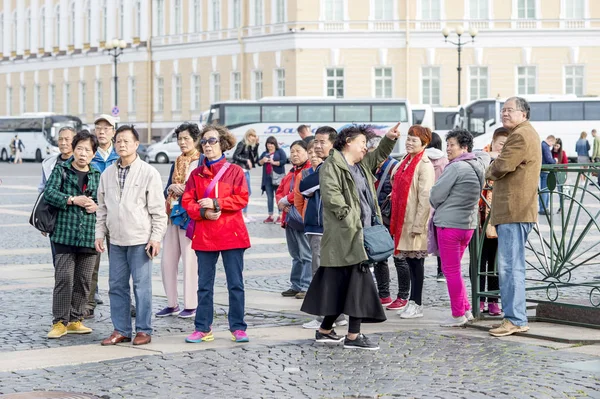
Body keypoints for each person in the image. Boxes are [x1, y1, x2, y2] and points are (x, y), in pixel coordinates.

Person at [301, 123, 400, 351]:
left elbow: (379, 156)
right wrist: (351, 220)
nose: (365, 148)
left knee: (341, 285)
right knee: (359, 284)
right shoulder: (331, 166)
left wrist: (389, 138)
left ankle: (325, 330)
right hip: (346, 236)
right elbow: (333, 197)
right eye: (362, 143)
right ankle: (354, 336)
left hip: (359, 233)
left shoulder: (361, 165)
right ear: (348, 143)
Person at [96, 125, 168, 346]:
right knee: (117, 286)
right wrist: (99, 234)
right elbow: (102, 208)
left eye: (127, 141)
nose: (122, 145)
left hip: (140, 240)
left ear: (137, 144)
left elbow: (158, 211)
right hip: (116, 240)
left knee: (141, 286)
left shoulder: (148, 172)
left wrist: (155, 238)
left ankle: (144, 330)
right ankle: (121, 329)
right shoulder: (107, 173)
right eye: (118, 141)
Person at [182, 125, 251, 344]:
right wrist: (203, 212)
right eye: (204, 142)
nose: (207, 145)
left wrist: (217, 202)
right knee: (204, 285)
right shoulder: (196, 174)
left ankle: (238, 327)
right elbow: (187, 202)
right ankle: (202, 328)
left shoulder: (235, 171)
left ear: (222, 143)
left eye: (212, 141)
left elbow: (242, 198)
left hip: (232, 234)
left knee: (235, 283)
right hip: (205, 235)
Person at [486, 96, 541, 337]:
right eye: (503, 110)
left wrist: (490, 167)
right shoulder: (525, 132)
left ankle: (515, 319)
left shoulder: (520, 135)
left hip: (514, 210)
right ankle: (513, 317)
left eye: (510, 110)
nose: (505, 114)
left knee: (510, 267)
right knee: (511, 266)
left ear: (523, 114)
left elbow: (501, 166)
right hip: (517, 209)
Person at [430, 129, 491, 327]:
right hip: (468, 225)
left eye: (452, 145)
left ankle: (457, 314)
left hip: (449, 225)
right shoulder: (478, 164)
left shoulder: (455, 168)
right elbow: (485, 154)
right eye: (447, 145)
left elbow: (436, 195)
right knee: (455, 269)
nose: (448, 149)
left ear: (463, 147)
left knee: (451, 271)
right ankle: (465, 309)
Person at [44, 131, 101, 338]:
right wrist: (71, 199)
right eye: (80, 149)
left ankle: (76, 319)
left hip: (88, 234)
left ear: (94, 154)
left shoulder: (97, 175)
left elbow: (104, 201)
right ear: (73, 149)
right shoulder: (61, 170)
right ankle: (59, 321)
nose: (83, 153)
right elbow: (49, 193)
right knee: (64, 278)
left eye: (87, 150)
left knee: (84, 280)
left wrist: (96, 205)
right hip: (64, 234)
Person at [298, 127, 347, 329]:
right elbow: (305, 188)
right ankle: (338, 314)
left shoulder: (331, 166)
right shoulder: (322, 166)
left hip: (323, 227)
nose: (317, 146)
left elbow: (305, 187)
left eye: (321, 142)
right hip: (319, 225)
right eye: (315, 142)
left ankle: (325, 316)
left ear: (333, 144)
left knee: (321, 272)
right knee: (328, 271)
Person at [156, 123, 201, 319]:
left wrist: (187, 190)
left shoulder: (200, 161)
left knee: (190, 260)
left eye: (186, 139)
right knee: (167, 261)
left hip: (190, 216)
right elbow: (167, 187)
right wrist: (171, 188)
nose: (182, 142)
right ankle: (171, 303)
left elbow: (202, 188)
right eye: (180, 139)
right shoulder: (177, 161)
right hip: (173, 214)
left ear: (195, 140)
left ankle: (191, 304)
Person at [390, 126, 435, 319]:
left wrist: (418, 225)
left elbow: (425, 198)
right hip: (403, 219)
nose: (409, 143)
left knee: (417, 265)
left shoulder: (424, 164)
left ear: (424, 144)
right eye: (408, 139)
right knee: (408, 263)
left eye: (414, 140)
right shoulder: (405, 161)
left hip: (415, 222)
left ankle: (417, 303)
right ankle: (410, 301)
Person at [85, 114, 119, 319]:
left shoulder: (121, 153)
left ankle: (124, 302)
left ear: (113, 132)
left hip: (117, 216)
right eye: (98, 127)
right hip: (94, 216)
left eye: (107, 128)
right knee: (91, 263)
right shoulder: (89, 154)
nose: (102, 131)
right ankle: (88, 302)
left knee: (120, 263)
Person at [478, 127, 509, 316]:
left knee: (496, 262)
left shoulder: (508, 160)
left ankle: (493, 300)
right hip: (480, 218)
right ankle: (479, 298)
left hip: (499, 218)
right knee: (480, 261)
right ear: (493, 141)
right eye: (501, 144)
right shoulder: (481, 156)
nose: (503, 148)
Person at [370, 139, 404, 310]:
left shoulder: (394, 167)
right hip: (377, 219)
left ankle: (404, 297)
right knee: (379, 257)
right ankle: (384, 295)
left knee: (400, 258)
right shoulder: (370, 167)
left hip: (392, 218)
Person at [277, 140, 312, 299]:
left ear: (306, 152)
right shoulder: (290, 172)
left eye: (298, 151)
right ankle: (296, 284)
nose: (295, 154)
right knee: (295, 254)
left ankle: (306, 286)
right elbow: (279, 191)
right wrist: (281, 202)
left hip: (302, 218)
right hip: (289, 218)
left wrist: (286, 200)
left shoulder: (309, 170)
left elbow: (301, 191)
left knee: (306, 254)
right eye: (292, 152)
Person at [38, 126, 77, 265]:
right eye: (60, 139)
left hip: (77, 219)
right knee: (59, 263)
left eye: (67, 139)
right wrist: (43, 221)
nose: (63, 142)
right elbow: (43, 191)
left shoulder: (82, 161)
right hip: (55, 221)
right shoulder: (48, 163)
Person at [425, 132, 449, 283]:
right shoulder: (446, 161)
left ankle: (416, 269)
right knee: (441, 240)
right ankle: (441, 271)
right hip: (440, 204)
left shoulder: (420, 159)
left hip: (424, 202)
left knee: (419, 238)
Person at [232, 129, 259, 223]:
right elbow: (235, 156)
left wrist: (257, 146)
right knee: (245, 192)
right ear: (248, 136)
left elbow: (255, 158)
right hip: (241, 171)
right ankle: (242, 214)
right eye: (252, 136)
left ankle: (245, 214)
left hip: (246, 171)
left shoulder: (250, 146)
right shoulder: (242, 144)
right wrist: (246, 160)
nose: (253, 138)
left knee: (247, 193)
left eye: (254, 136)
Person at [258, 136, 287, 223]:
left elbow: (284, 161)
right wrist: (263, 160)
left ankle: (280, 215)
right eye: (268, 144)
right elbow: (258, 163)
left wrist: (274, 162)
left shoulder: (280, 151)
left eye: (272, 144)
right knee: (269, 198)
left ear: (275, 144)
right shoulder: (264, 153)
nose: (270, 146)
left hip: (278, 178)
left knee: (279, 197)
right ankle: (270, 216)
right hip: (267, 179)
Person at [539, 135, 557, 214]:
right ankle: (543, 208)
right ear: (550, 140)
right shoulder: (545, 146)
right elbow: (549, 159)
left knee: (543, 190)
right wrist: (555, 160)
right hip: (546, 170)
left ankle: (542, 208)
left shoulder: (541, 145)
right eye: (552, 144)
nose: (552, 146)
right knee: (545, 190)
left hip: (542, 170)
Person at [552, 138, 569, 213]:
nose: (556, 147)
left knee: (560, 191)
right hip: (552, 173)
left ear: (560, 146)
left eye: (557, 146)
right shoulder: (550, 152)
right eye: (555, 145)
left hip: (560, 173)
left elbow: (565, 165)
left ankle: (561, 207)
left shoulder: (562, 153)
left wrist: (565, 176)